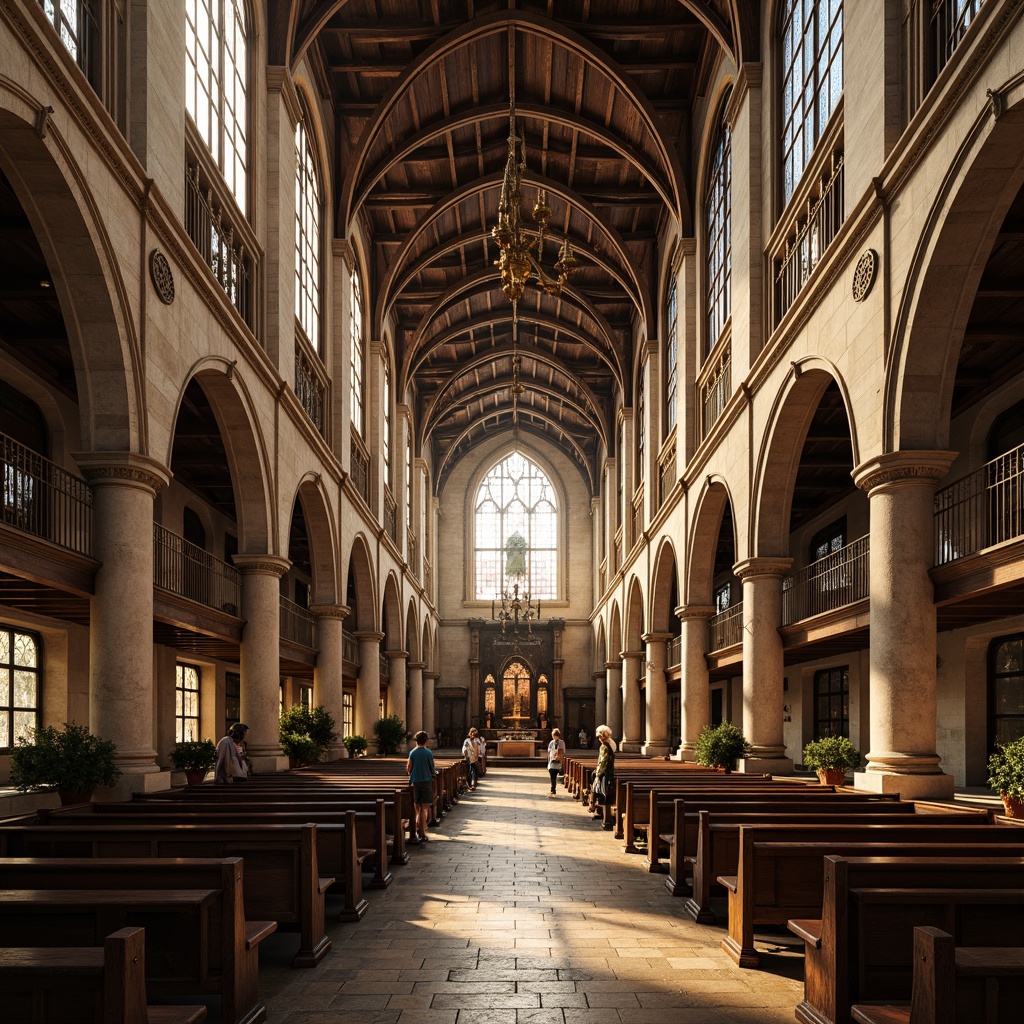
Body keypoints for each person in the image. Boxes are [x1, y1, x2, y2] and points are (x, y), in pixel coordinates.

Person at [406, 730, 436, 843]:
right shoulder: (428, 753)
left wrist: (412, 774)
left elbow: (409, 768)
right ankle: (422, 832)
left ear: (416, 741)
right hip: (426, 782)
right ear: (426, 741)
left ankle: (418, 829)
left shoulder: (412, 753)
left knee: (417, 808)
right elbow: (432, 767)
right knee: (424, 808)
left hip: (415, 782)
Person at [591, 724, 616, 828]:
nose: (599, 739)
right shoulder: (610, 746)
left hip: (604, 775)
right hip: (609, 773)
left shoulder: (604, 747)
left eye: (599, 737)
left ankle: (605, 819)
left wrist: (598, 773)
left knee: (602, 793)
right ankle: (597, 809)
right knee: (604, 794)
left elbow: (603, 761)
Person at [546, 728, 566, 797]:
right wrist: (549, 760)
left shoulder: (561, 742)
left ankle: (553, 790)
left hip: (558, 761)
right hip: (552, 761)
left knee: (554, 776)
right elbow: (549, 751)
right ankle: (552, 790)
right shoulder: (551, 742)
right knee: (552, 776)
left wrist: (559, 755)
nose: (553, 737)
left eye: (554, 735)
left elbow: (563, 751)